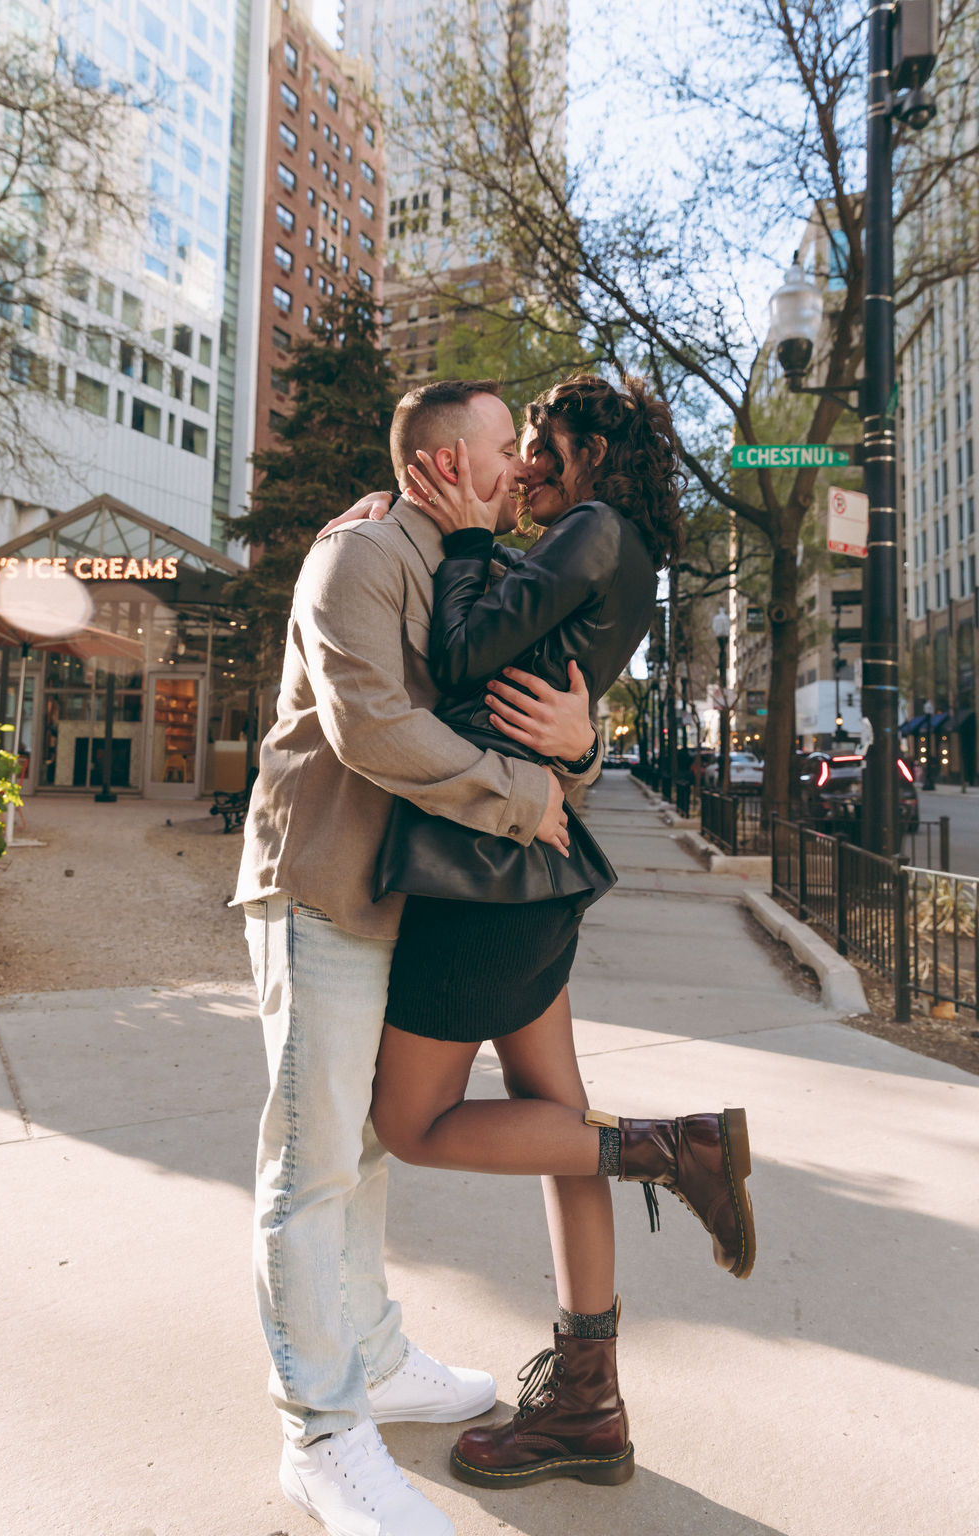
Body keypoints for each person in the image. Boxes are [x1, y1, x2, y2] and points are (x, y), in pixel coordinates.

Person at [341, 373, 756, 1491]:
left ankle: (673, 1149)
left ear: (583, 450)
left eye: (537, 441)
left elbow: (469, 650)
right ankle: (589, 1408)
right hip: (523, 864)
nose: (523, 461)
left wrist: (470, 533)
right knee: (552, 1122)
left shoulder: (591, 528)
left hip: (483, 877)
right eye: (511, 446)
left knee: (411, 1121)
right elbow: (528, 666)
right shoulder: (606, 538)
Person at [233, 378, 606, 1536]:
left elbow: (522, 723)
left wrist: (575, 753)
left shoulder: (470, 571)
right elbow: (375, 730)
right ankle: (321, 1429)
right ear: (445, 464)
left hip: (402, 906)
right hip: (323, 894)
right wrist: (521, 798)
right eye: (506, 448)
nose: (524, 469)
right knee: (310, 1172)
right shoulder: (355, 558)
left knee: (358, 1152)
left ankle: (375, 1362)